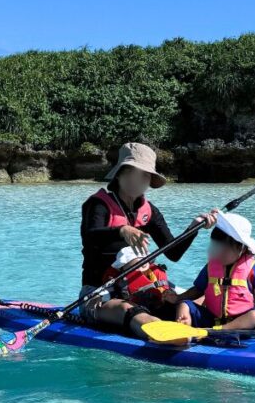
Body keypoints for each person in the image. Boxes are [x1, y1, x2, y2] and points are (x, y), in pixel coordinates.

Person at [79, 142, 216, 336]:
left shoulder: (149, 211)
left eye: (149, 174)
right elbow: (91, 236)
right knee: (128, 310)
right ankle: (165, 333)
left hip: (144, 289)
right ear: (122, 172)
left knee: (200, 299)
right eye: (142, 172)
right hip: (100, 293)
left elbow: (173, 253)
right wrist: (122, 230)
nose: (147, 179)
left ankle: (242, 320)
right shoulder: (98, 205)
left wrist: (193, 228)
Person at [165, 213, 255, 337]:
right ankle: (184, 327)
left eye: (224, 250)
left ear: (240, 248)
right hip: (212, 318)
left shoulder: (253, 270)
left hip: (242, 321)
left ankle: (221, 331)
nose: (217, 254)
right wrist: (178, 298)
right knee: (185, 305)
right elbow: (197, 290)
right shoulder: (211, 267)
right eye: (215, 248)